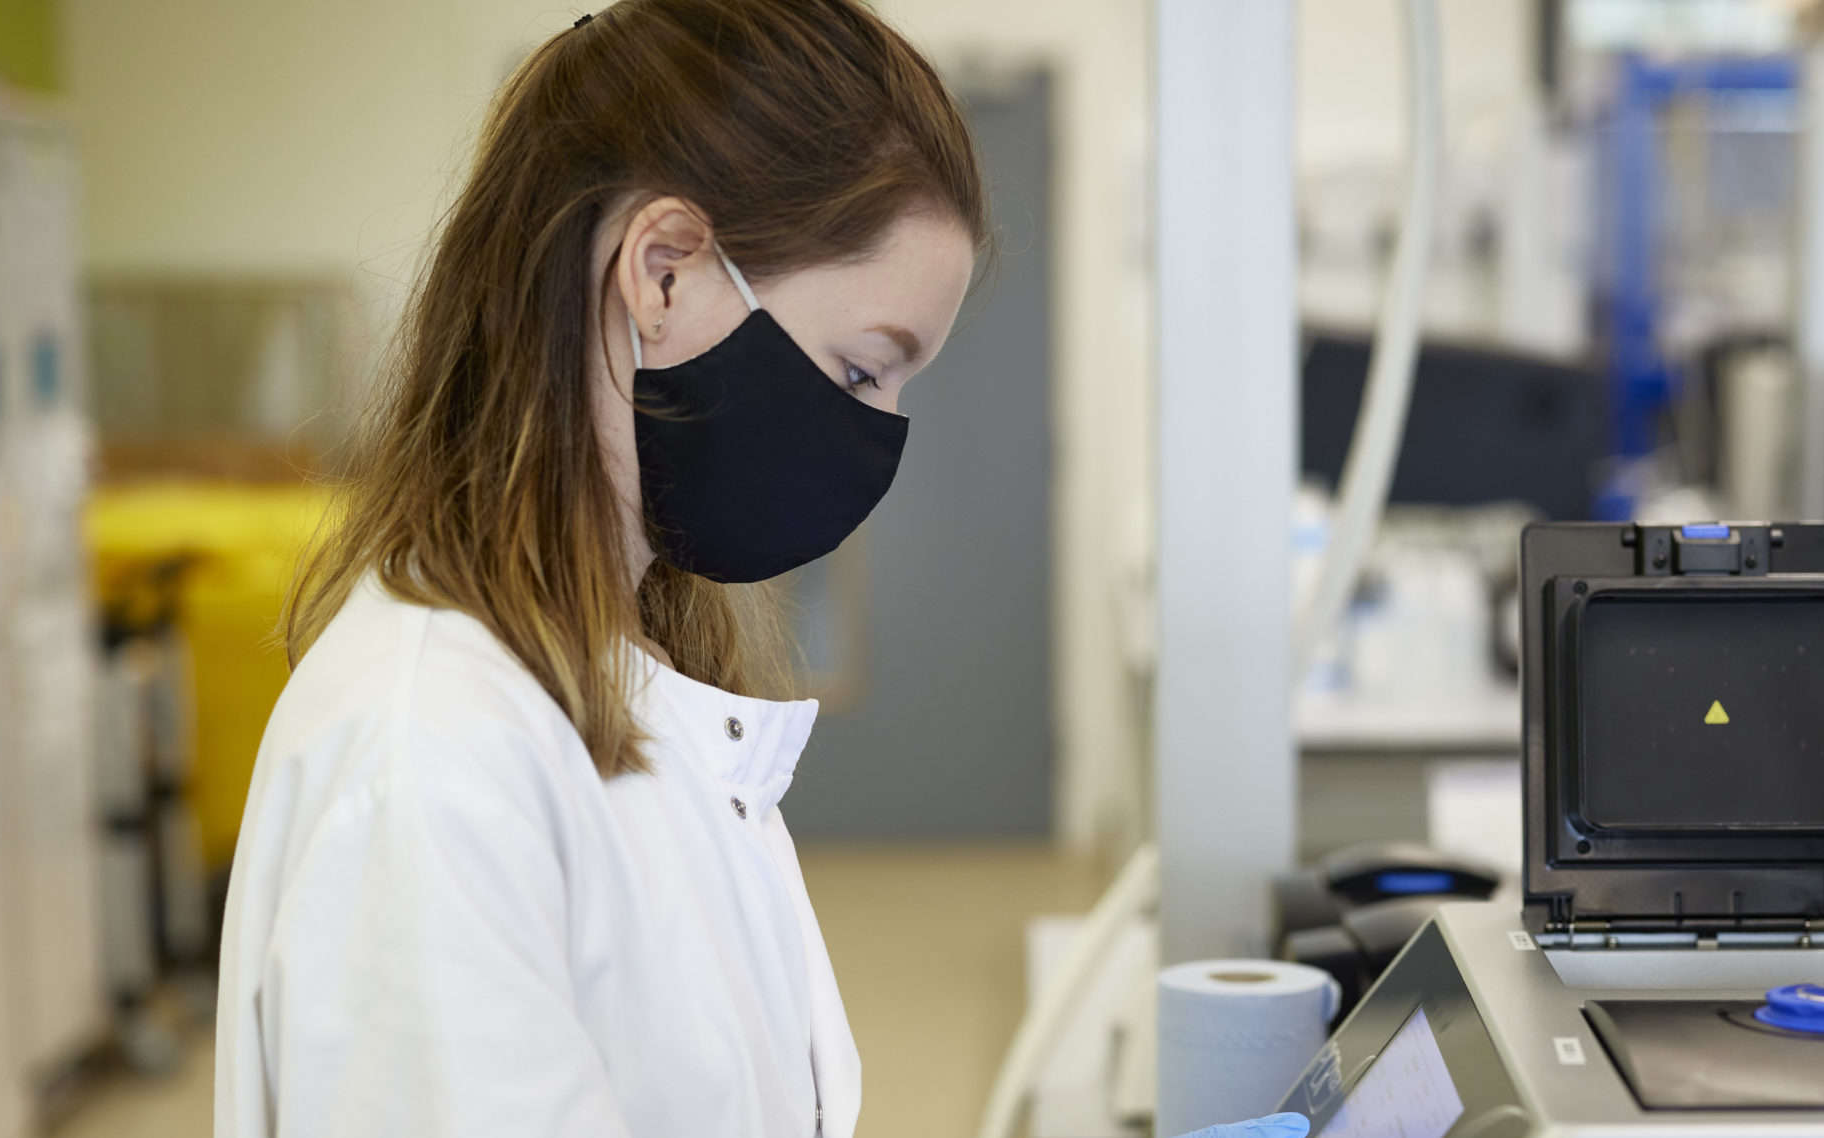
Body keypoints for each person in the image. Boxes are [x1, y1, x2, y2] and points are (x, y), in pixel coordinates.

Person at [210, 3, 1309, 1136]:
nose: (878, 432)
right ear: (666, 270)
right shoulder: (435, 763)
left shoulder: (611, 681)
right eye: (859, 370)